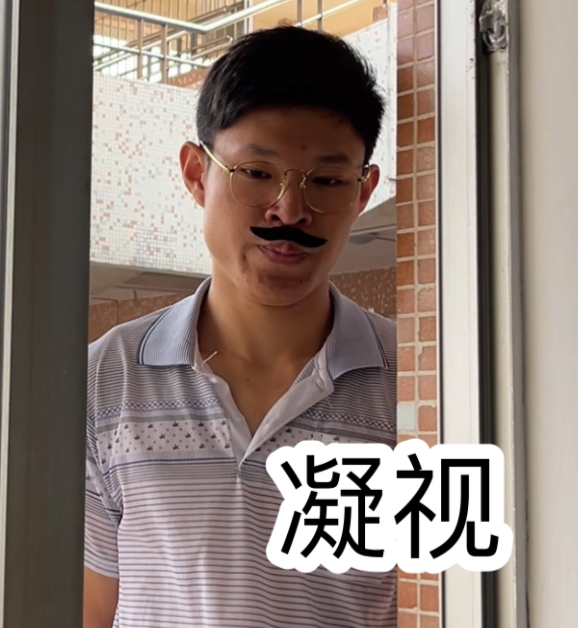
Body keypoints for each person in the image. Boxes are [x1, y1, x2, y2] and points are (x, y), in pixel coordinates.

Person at [83, 26, 396, 627]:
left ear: (363, 194)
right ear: (196, 173)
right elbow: (91, 609)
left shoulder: (417, 387)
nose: (290, 209)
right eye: (256, 172)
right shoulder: (105, 378)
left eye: (327, 181)